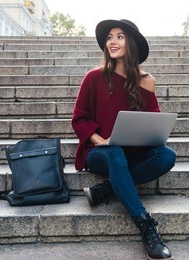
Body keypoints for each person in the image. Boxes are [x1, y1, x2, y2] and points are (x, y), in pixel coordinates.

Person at [71, 19, 176, 260]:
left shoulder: (146, 80)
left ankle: (107, 188)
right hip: (99, 152)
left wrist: (152, 128)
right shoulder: (94, 77)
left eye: (119, 36)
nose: (112, 41)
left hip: (130, 151)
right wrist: (101, 140)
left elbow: (153, 120)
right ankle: (146, 226)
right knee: (114, 152)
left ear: (131, 44)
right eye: (109, 37)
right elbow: (79, 119)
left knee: (167, 155)